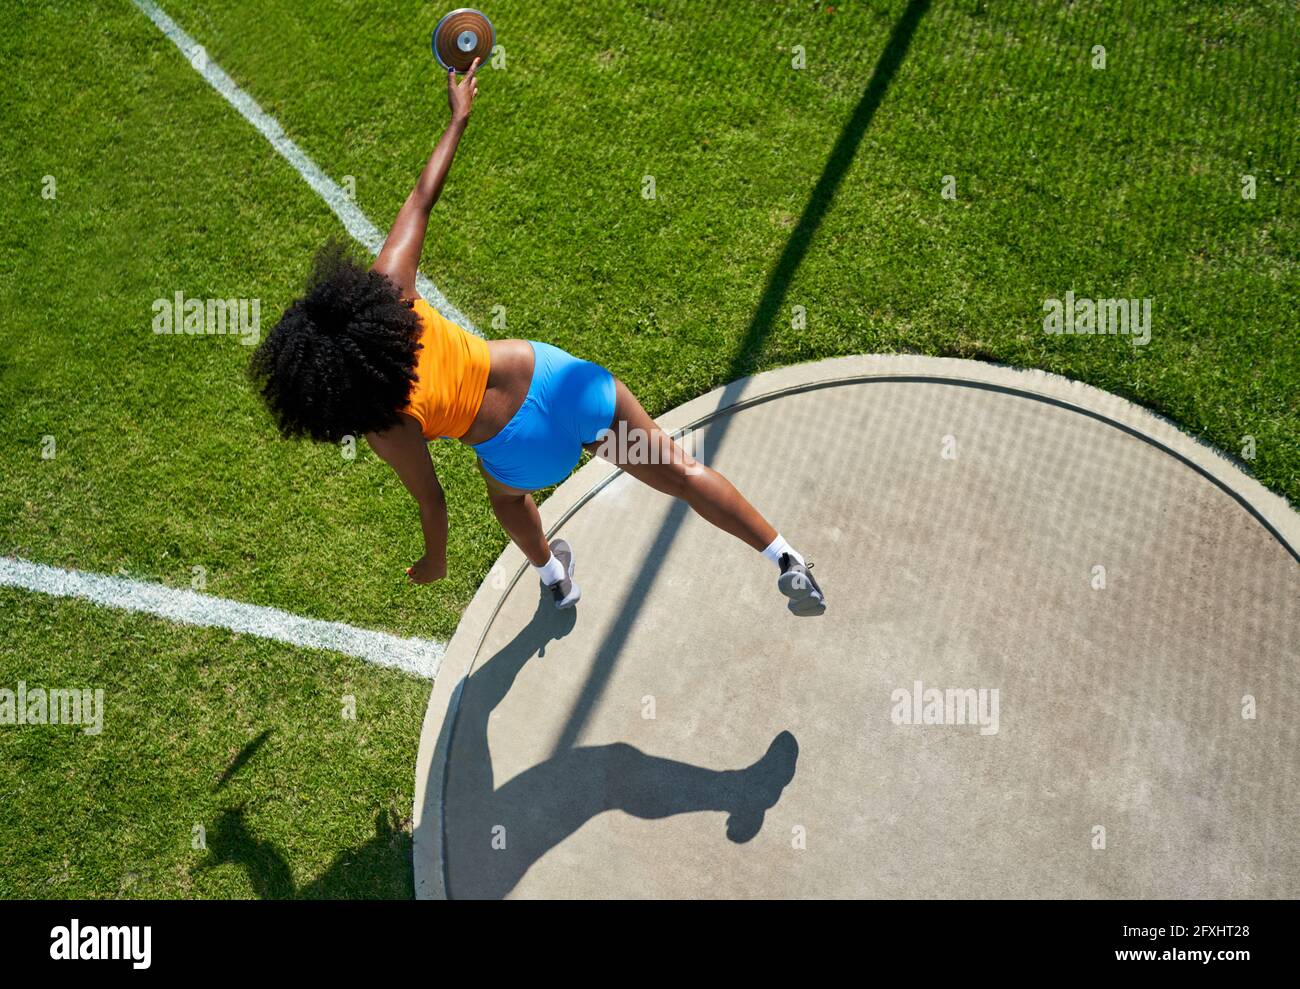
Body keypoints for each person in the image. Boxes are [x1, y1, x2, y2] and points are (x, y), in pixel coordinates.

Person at [249, 58, 825, 617]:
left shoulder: (386, 424)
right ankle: (784, 555)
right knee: (678, 471)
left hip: (525, 456)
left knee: (505, 498)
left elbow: (433, 502)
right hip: (567, 386)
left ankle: (554, 576)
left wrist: (435, 559)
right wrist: (458, 118)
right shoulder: (393, 288)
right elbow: (423, 196)